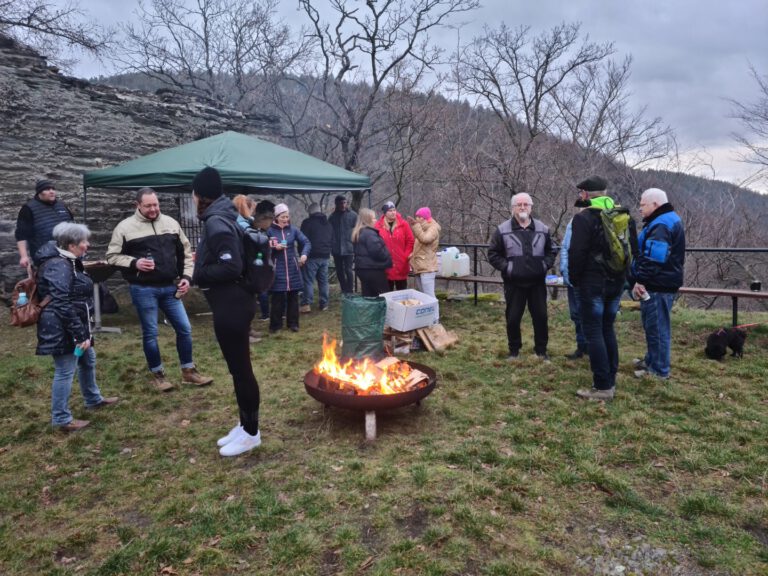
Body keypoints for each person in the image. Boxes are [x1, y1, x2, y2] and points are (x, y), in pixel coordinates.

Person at [107, 188, 213, 392]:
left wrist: (186, 277)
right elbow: (112, 256)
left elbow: (187, 253)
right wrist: (134, 263)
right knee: (151, 333)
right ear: (137, 205)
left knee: (185, 329)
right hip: (143, 289)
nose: (153, 209)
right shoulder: (124, 228)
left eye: (156, 204)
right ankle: (158, 375)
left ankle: (188, 372)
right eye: (148, 206)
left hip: (170, 287)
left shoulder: (171, 224)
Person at [191, 166, 262, 457]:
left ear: (198, 195)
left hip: (231, 304)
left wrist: (200, 273)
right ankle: (245, 424)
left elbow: (231, 265)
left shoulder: (216, 222)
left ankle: (252, 433)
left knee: (241, 370)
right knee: (237, 370)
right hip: (232, 302)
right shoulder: (222, 216)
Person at [36, 222, 118, 431]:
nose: (87, 245)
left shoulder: (69, 261)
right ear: (72, 245)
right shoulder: (59, 265)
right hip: (61, 326)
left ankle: (93, 399)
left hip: (74, 322)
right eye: (84, 241)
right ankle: (61, 419)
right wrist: (80, 333)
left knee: (88, 360)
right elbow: (61, 302)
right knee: (65, 369)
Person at [568, 176, 625, 401]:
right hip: (617, 281)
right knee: (607, 327)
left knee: (593, 332)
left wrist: (574, 279)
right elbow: (632, 250)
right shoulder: (621, 214)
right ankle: (611, 375)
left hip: (592, 284)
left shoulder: (584, 218)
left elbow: (577, 253)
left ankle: (602, 387)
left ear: (585, 195)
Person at [488, 193, 556, 361]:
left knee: (541, 317)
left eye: (526, 204)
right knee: (512, 319)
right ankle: (514, 351)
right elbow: (493, 254)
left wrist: (544, 265)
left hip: (537, 283)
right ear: (513, 208)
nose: (523, 207)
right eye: (519, 204)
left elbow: (551, 251)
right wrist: (508, 268)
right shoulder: (502, 230)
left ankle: (541, 351)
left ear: (531, 207)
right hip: (514, 283)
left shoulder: (542, 228)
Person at [629, 187, 686, 380]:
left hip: (657, 285)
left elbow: (654, 258)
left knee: (657, 329)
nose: (640, 208)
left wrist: (641, 280)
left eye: (643, 204)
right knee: (653, 326)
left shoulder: (661, 224)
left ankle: (658, 371)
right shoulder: (666, 220)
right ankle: (652, 360)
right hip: (661, 282)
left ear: (655, 204)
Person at [267, 203, 311, 332]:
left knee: (293, 297)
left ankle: (293, 324)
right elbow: (265, 248)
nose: (286, 219)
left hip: (292, 269)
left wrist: (304, 254)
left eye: (287, 216)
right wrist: (275, 247)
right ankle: (275, 326)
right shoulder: (270, 231)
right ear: (276, 217)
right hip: (278, 269)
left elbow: (306, 242)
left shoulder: (293, 230)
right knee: (277, 298)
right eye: (283, 217)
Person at [560, 194, 592, 360]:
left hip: (589, 279)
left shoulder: (599, 222)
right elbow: (565, 247)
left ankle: (592, 349)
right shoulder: (574, 222)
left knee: (590, 315)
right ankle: (582, 348)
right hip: (573, 278)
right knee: (576, 314)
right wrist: (565, 272)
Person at [15, 179, 74, 270]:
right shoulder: (28, 209)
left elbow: (73, 228)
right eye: (46, 189)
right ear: (39, 192)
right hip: (45, 256)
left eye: (53, 189)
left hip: (68, 253)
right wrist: (24, 256)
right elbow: (21, 235)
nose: (51, 192)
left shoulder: (62, 205)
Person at [232, 195, 264, 343]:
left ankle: (248, 329)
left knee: (248, 302)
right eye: (252, 209)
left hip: (246, 267)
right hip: (244, 268)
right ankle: (244, 334)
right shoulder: (242, 225)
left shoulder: (246, 222)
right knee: (244, 304)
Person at [300, 202, 332, 313]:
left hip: (311, 256)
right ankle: (324, 304)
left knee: (308, 281)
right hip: (325, 256)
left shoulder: (307, 223)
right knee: (323, 281)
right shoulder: (327, 223)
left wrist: (302, 255)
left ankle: (306, 304)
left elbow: (302, 240)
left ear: (310, 212)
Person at [375, 201, 414, 291]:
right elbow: (375, 243)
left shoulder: (403, 224)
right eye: (390, 211)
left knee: (402, 292)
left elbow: (410, 241)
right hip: (385, 265)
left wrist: (406, 255)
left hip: (401, 264)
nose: (393, 212)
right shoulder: (378, 226)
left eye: (394, 210)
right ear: (385, 213)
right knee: (387, 294)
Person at [352, 208, 392, 297]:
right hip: (373, 269)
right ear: (367, 220)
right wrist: (387, 254)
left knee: (368, 296)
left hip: (362, 269)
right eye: (374, 218)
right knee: (385, 296)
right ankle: (384, 311)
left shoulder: (359, 232)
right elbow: (377, 252)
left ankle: (369, 311)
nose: (376, 220)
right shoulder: (370, 234)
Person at [407, 206, 441, 297]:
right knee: (424, 296)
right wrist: (411, 256)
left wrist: (415, 226)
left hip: (428, 268)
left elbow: (425, 239)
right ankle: (427, 311)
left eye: (419, 217)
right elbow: (422, 248)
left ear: (425, 218)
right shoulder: (421, 229)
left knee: (429, 296)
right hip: (420, 266)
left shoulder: (433, 228)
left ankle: (435, 312)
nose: (417, 219)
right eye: (416, 216)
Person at [328, 195, 357, 294]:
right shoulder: (332, 217)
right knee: (339, 270)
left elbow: (357, 230)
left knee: (349, 270)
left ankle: (350, 290)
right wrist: (331, 245)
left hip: (349, 247)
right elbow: (329, 233)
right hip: (336, 248)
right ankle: (344, 289)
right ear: (336, 204)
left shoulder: (353, 215)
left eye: (344, 203)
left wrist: (355, 243)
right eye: (341, 203)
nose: (343, 205)